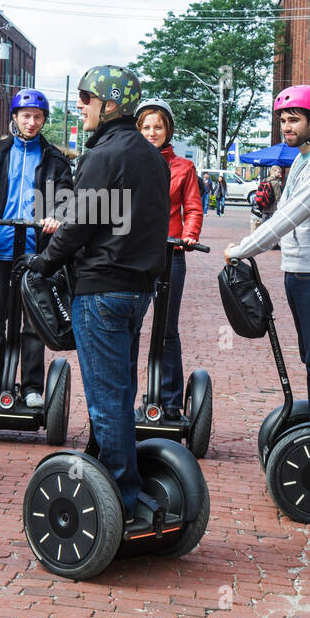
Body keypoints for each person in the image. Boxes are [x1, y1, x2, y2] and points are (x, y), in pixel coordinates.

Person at [27, 66, 168, 528]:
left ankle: (122, 503)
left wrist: (43, 262)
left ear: (110, 105)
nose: (81, 105)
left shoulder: (103, 156)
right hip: (136, 290)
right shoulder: (152, 158)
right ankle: (111, 473)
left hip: (102, 289)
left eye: (88, 98)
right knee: (120, 391)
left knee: (107, 399)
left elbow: (79, 223)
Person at [225, 85, 310, 428]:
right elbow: (281, 211)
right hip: (299, 270)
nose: (286, 126)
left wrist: (243, 248)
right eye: (283, 119)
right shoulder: (301, 159)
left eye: (294, 119)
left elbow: (293, 213)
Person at [0, 89, 71, 408]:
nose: (31, 122)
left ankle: (32, 387)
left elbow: (67, 198)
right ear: (14, 117)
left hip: (36, 254)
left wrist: (56, 216)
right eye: (25, 116)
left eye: (37, 117)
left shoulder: (55, 159)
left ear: (44, 121)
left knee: (34, 322)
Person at [131, 97, 203, 419]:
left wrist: (190, 234)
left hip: (171, 253)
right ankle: (125, 397)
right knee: (131, 325)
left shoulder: (184, 168)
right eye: (146, 126)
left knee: (167, 328)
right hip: (134, 256)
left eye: (158, 126)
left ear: (168, 130)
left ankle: (171, 401)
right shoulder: (129, 162)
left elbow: (193, 208)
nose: (151, 132)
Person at [250, 164, 286, 231]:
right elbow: (278, 198)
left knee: (263, 228)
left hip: (264, 207)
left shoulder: (264, 180)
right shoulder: (276, 183)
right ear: (273, 172)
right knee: (271, 229)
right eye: (278, 172)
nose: (280, 174)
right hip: (272, 209)